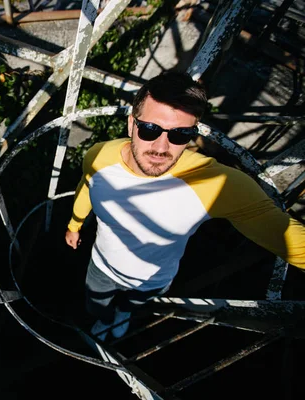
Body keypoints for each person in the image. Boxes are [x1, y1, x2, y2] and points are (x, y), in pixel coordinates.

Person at [64, 71, 305, 342]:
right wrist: (75, 225)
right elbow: (87, 185)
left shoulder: (215, 184)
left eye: (180, 134)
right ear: (132, 124)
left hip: (152, 281)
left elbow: (286, 237)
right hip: (102, 266)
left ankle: (120, 318)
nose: (161, 146)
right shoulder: (99, 155)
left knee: (129, 307)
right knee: (95, 305)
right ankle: (103, 319)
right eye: (150, 129)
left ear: (192, 134)